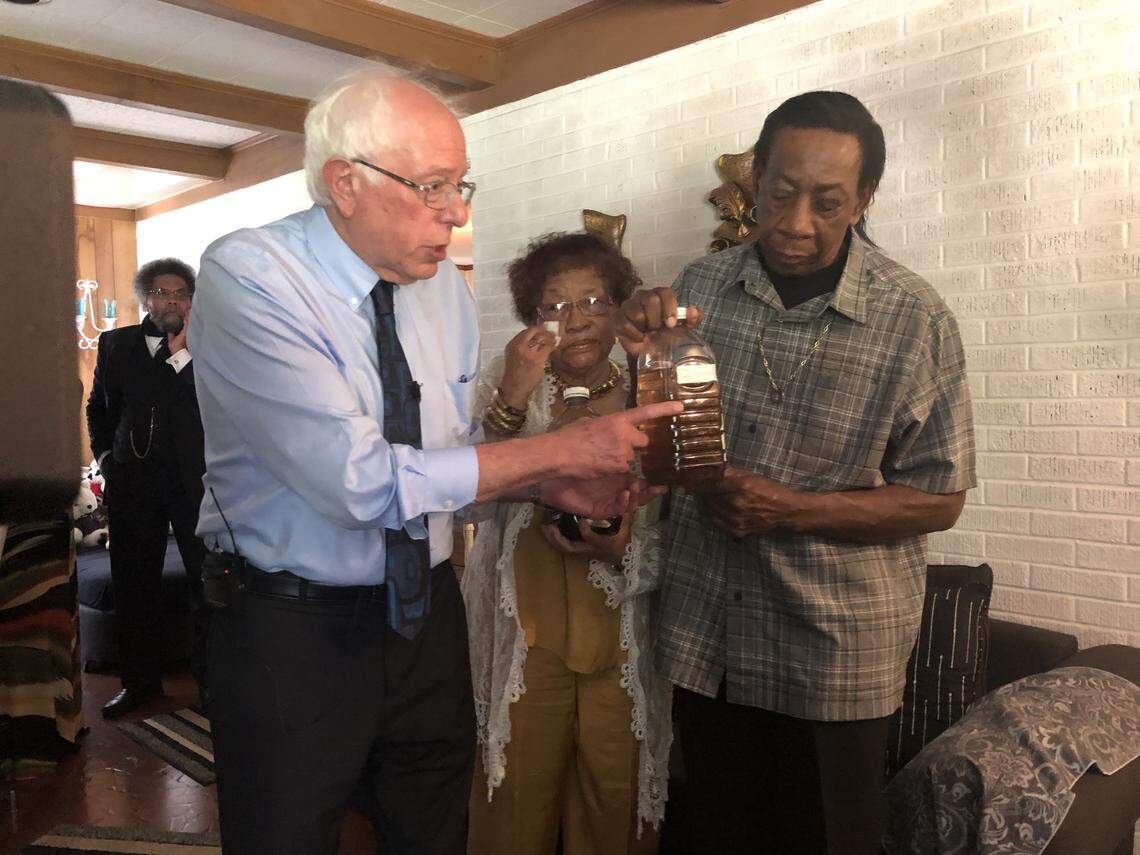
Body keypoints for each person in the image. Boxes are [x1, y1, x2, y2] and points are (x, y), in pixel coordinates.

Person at [188, 71, 679, 855]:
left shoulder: (441, 289)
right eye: (433, 187)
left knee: (435, 831)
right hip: (295, 627)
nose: (457, 212)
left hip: (426, 615)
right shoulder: (251, 277)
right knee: (287, 833)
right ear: (345, 183)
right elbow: (359, 484)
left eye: (461, 185)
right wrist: (560, 448)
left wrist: (547, 484)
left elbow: (450, 476)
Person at [617, 91, 976, 855]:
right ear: (756, 179)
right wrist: (644, 365)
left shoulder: (913, 317)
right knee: (713, 835)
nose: (796, 223)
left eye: (827, 201)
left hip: (831, 652)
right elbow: (663, 445)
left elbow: (941, 497)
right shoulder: (703, 286)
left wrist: (792, 509)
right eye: (780, 194)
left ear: (865, 198)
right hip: (707, 635)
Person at [465, 232, 671, 855]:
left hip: (621, 629)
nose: (576, 321)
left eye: (594, 302)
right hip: (528, 630)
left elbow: (678, 519)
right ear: (534, 318)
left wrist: (622, 551)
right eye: (555, 306)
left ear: (620, 308)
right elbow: (467, 501)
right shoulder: (510, 380)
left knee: (613, 793)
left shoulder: (648, 385)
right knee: (516, 793)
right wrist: (512, 396)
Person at [86, 258, 208, 719]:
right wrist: (104, 459)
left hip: (192, 486)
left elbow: (209, 401)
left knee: (205, 583)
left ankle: (212, 686)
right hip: (132, 483)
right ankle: (138, 684)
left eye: (180, 293)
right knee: (134, 586)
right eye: (161, 292)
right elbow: (97, 408)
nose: (171, 300)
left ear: (191, 301)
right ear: (145, 298)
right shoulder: (115, 344)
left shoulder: (206, 346)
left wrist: (183, 354)